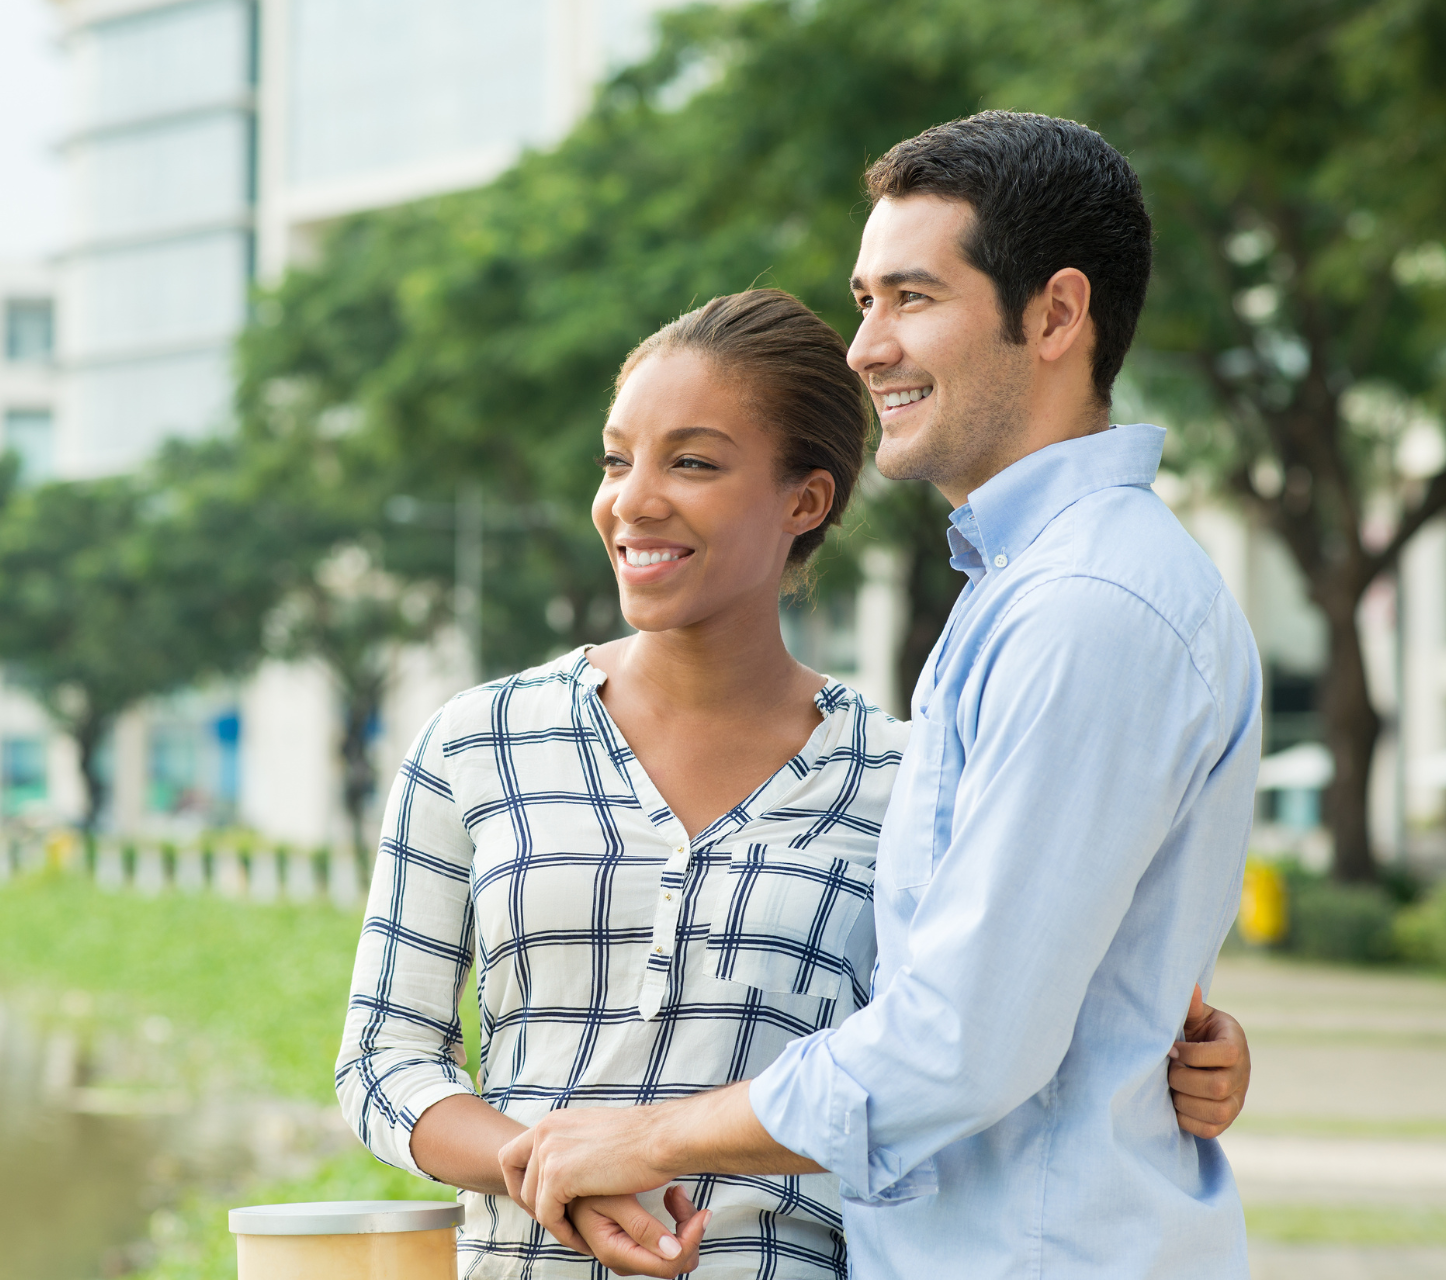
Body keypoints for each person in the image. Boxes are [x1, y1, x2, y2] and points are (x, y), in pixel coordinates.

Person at [338, 295, 1249, 1272]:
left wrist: (1194, 1055)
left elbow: (988, 1024)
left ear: (805, 500)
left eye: (691, 461)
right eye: (616, 458)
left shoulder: (904, 780)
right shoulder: (478, 742)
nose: (632, 499)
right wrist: (540, 1159)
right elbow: (382, 1057)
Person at [499, 112, 1262, 1278]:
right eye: (864, 300)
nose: (865, 348)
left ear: (1056, 314)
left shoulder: (1088, 608)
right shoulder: (1022, 591)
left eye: (911, 297)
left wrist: (646, 1134)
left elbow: (962, 1040)